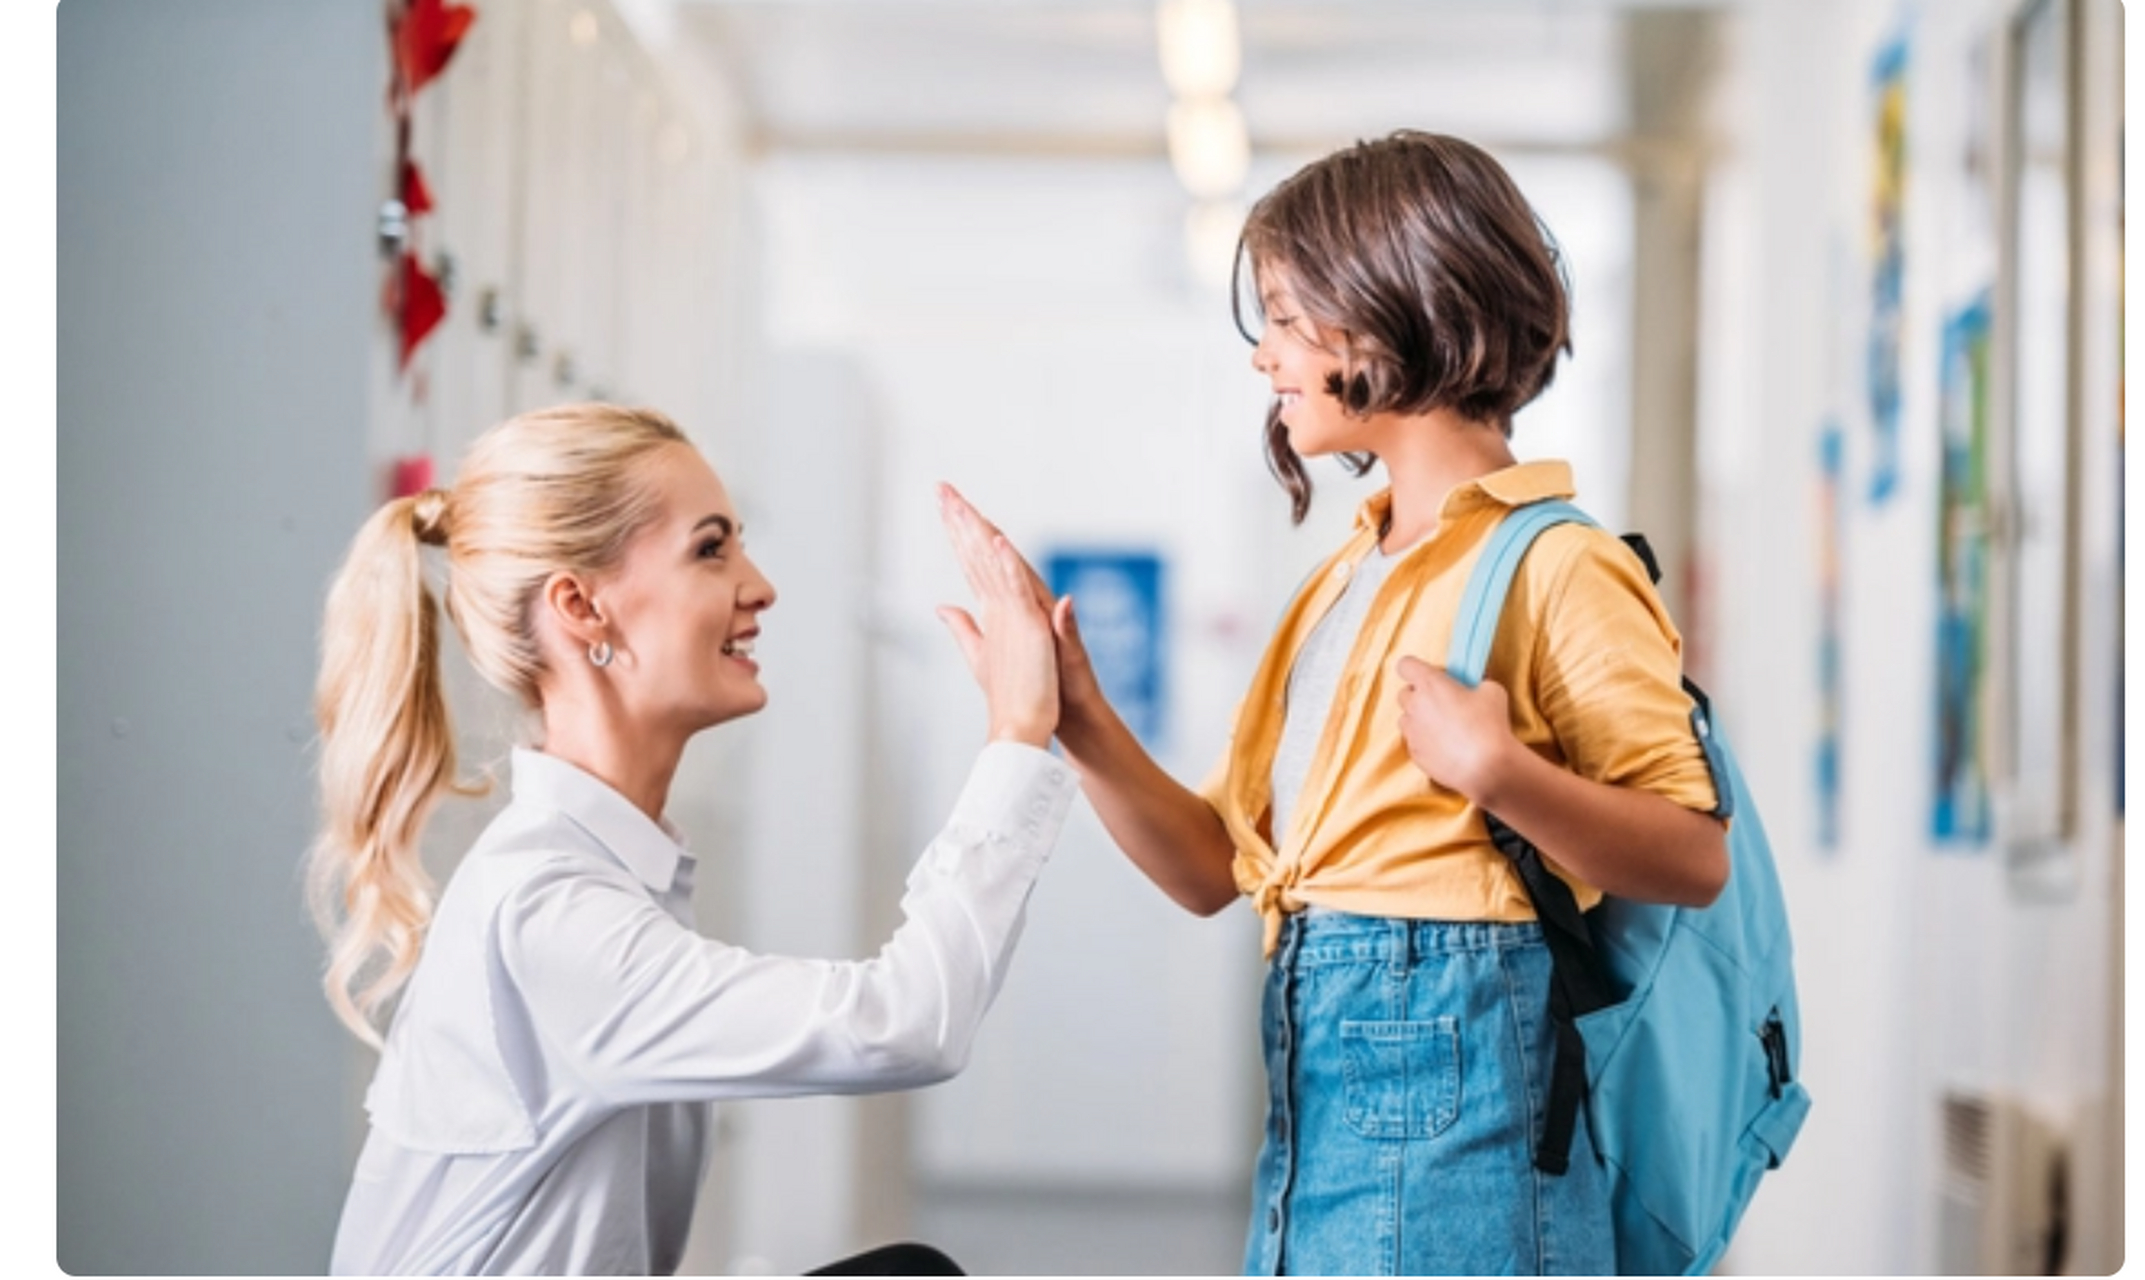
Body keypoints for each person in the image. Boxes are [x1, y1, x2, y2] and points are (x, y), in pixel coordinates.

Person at [940, 131, 1729, 1276]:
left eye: (1285, 314)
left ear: (1387, 306)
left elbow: (1695, 854)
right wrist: (1080, 717)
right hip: (1318, 1146)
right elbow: (1215, 868)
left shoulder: (1558, 564)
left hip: (1470, 1164)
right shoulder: (1340, 582)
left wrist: (1505, 775)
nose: (1265, 357)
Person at [307, 402, 1073, 1276]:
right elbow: (907, 1023)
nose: (759, 586)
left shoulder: (594, 869)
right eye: (711, 549)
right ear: (581, 607)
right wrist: (1017, 728)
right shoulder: (544, 912)